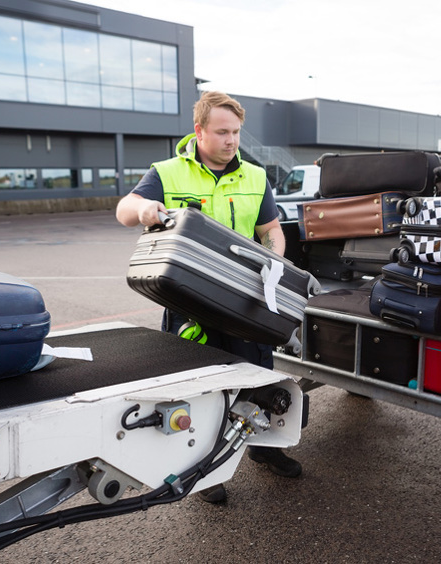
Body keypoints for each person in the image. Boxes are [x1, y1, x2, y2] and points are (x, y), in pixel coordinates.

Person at [116, 91, 302, 503]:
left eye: (236, 132)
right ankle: (208, 472)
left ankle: (264, 450)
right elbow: (124, 209)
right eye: (222, 132)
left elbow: (272, 229)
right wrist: (145, 209)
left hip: (246, 304)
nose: (232, 140)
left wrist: (273, 263)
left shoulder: (255, 177)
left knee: (257, 378)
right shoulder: (166, 172)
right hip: (191, 305)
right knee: (202, 390)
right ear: (199, 131)